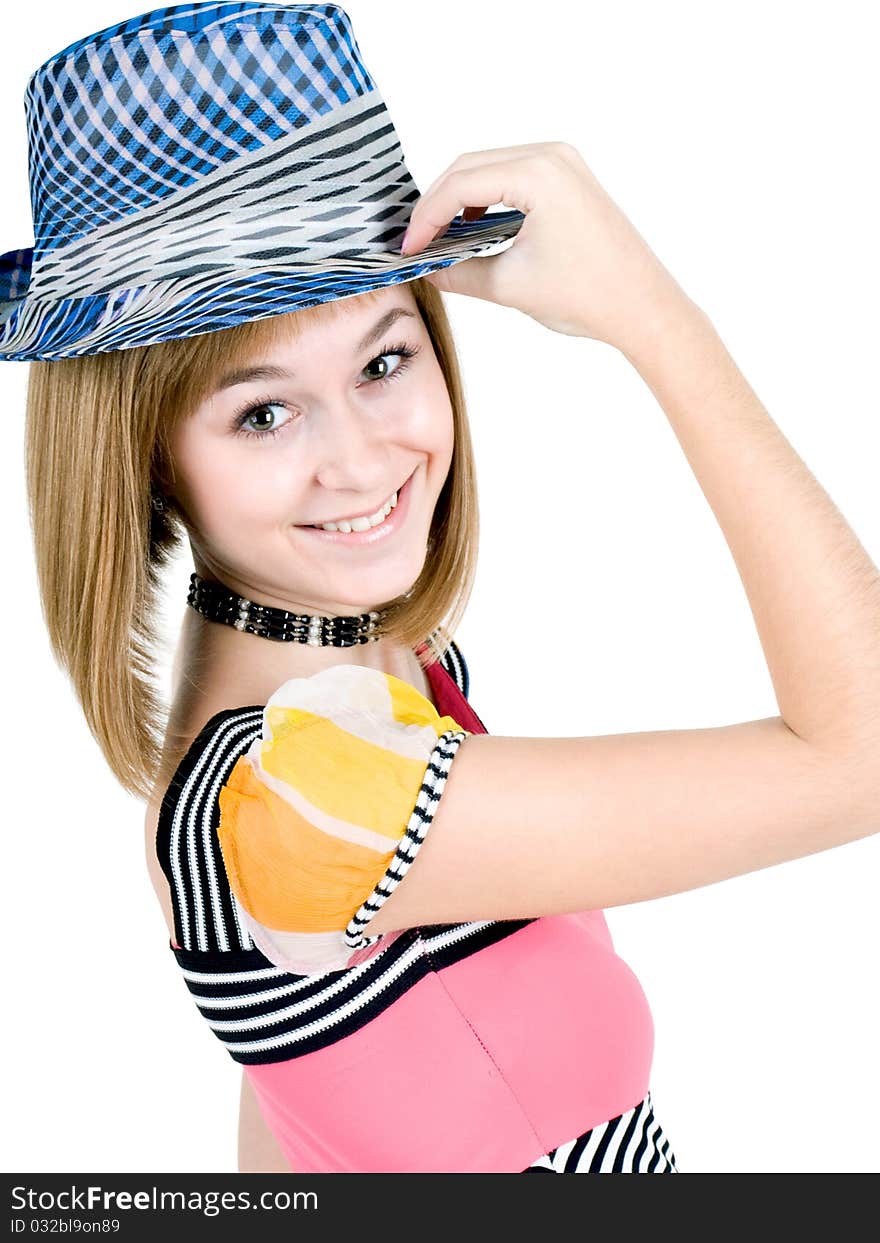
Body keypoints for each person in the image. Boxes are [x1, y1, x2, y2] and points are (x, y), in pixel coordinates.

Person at [5, 2, 879, 1175]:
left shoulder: (374, 682)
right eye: (263, 410)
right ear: (146, 457)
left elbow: (295, 1125)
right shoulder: (301, 794)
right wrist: (655, 317)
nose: (361, 460)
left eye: (382, 360)